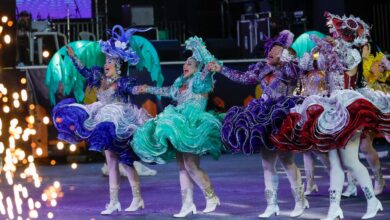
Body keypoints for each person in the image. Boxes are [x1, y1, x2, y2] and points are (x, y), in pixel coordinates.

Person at [272, 12, 387, 219]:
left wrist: (330, 46)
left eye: (337, 32)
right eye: (332, 31)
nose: (333, 34)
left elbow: (345, 62)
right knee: (335, 163)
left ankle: (372, 200)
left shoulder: (353, 54)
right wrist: (288, 54)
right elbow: (305, 64)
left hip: (350, 109)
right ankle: (334, 208)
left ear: (348, 36)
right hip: (331, 110)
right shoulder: (326, 52)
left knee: (351, 162)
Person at [51, 26, 153, 215]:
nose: (106, 64)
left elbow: (133, 91)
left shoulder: (123, 82)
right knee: (111, 161)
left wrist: (145, 89)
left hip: (121, 123)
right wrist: (73, 57)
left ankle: (137, 199)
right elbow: (84, 71)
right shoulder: (99, 77)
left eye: (110, 61)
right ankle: (113, 201)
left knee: (126, 162)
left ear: (118, 65)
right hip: (103, 121)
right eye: (106, 60)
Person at [208, 30, 308, 218]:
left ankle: (300, 200)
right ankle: (272, 204)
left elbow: (296, 74)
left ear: (286, 53)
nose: (271, 52)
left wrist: (286, 58)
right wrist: (221, 68)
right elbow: (242, 77)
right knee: (267, 164)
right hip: (262, 115)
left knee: (287, 161)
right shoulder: (262, 68)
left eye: (276, 50)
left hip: (281, 115)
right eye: (270, 49)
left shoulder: (290, 69)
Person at [132, 36, 223, 218]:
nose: (185, 65)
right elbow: (166, 91)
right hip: (179, 125)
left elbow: (209, 65)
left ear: (197, 67)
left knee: (190, 165)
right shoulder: (180, 83)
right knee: (182, 166)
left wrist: (199, 49)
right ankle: (187, 204)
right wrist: (147, 88)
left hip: (193, 125)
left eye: (190, 63)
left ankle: (211, 197)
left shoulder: (200, 80)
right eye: (185, 63)